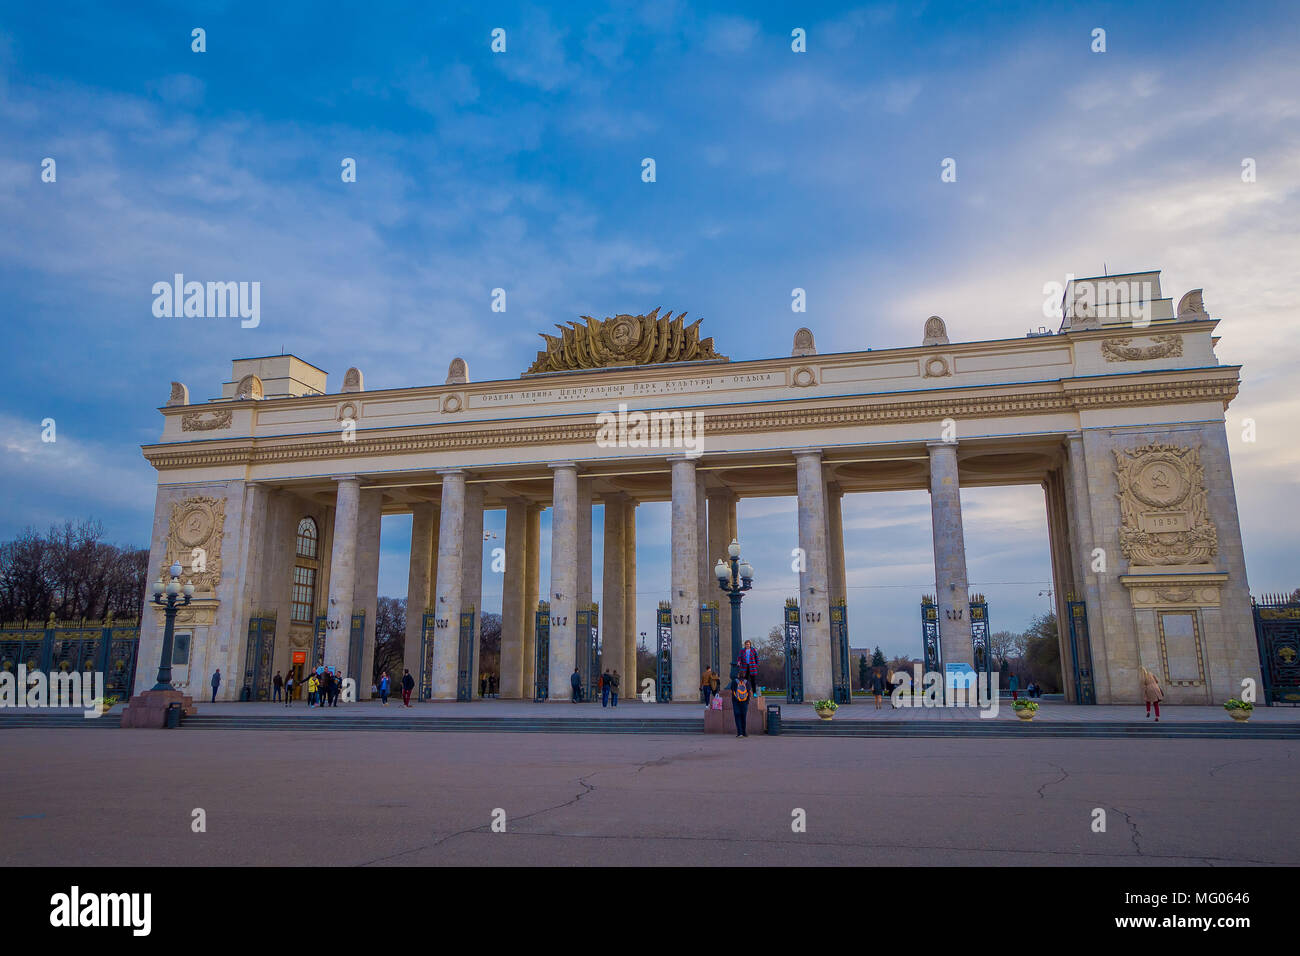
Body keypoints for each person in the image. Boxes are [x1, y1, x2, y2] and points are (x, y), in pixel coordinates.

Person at [728, 673, 751, 737]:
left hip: (736, 701)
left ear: (738, 675)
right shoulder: (747, 682)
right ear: (744, 676)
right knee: (744, 717)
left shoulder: (734, 682)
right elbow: (749, 692)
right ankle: (744, 732)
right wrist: (747, 701)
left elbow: (732, 690)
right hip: (744, 702)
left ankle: (739, 733)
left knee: (737, 717)